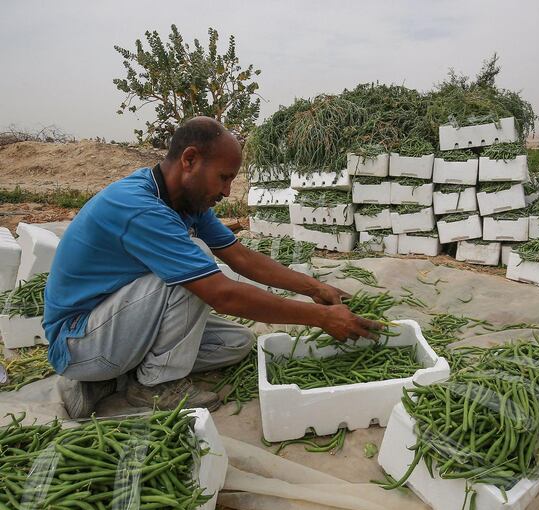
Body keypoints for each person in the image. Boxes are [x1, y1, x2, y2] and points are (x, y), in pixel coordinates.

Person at [44, 117, 381, 418]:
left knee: (237, 343)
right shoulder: (139, 207)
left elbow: (242, 258)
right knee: (195, 265)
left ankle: (115, 379)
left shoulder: (186, 203)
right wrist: (321, 318)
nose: (227, 191)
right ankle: (153, 386)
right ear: (190, 160)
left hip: (118, 326)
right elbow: (221, 295)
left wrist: (314, 288)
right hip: (79, 339)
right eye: (224, 177)